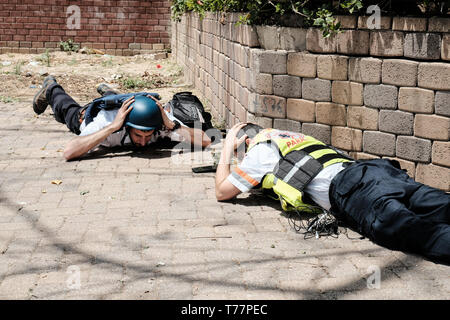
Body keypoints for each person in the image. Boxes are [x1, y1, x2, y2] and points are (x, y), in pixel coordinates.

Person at [215, 122, 450, 265]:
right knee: (439, 204)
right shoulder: (290, 138)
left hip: (353, 189)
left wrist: (226, 148)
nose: (240, 161)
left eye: (239, 155)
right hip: (378, 171)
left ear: (246, 142)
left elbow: (222, 191)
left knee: (408, 230)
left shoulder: (260, 150)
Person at [32, 76, 211, 161]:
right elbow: (69, 152)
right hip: (86, 115)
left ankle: (110, 92)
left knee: (114, 98)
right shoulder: (106, 120)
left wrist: (173, 126)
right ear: (127, 125)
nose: (143, 143)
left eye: (148, 136)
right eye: (138, 136)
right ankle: (51, 88)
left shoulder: (159, 119)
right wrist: (111, 128)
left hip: (126, 107)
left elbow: (206, 140)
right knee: (68, 110)